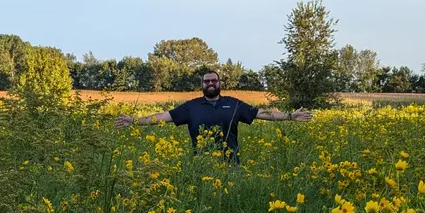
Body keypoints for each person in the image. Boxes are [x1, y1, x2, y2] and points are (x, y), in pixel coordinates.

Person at [115, 70, 311, 158]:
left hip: (232, 164)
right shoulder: (191, 106)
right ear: (202, 85)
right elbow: (163, 117)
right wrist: (134, 121)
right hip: (201, 164)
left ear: (219, 84)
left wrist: (290, 116)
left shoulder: (233, 104)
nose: (210, 84)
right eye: (206, 81)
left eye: (213, 81)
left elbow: (262, 113)